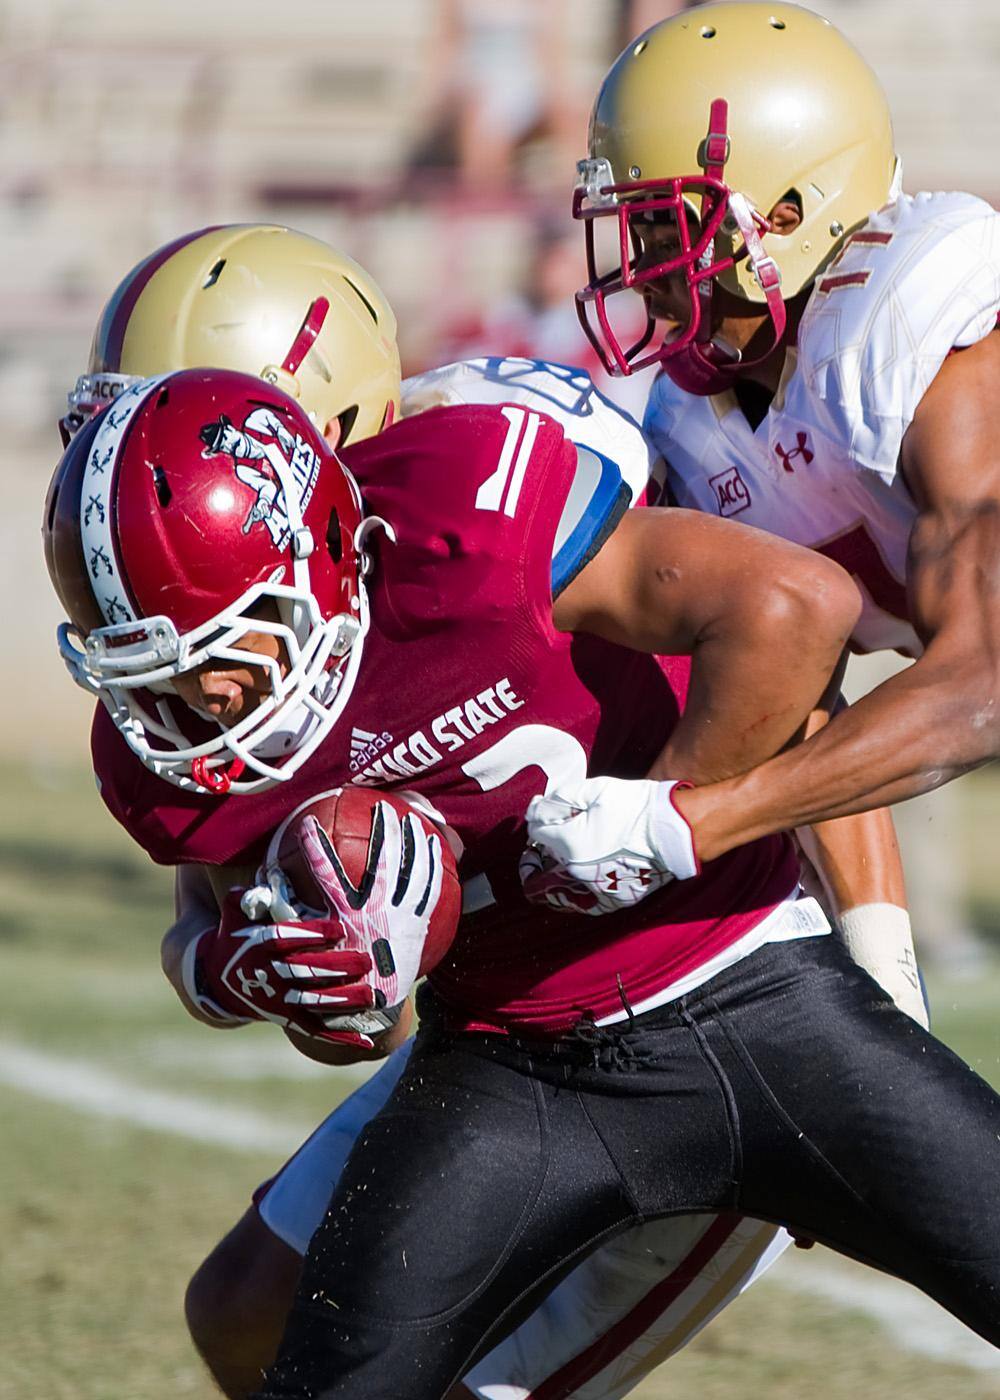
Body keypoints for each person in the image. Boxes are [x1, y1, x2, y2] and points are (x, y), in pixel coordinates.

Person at [56, 226, 910, 1400]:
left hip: (699, 993)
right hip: (505, 1025)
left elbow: (796, 674)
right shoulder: (264, 620)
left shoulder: (491, 485)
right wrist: (262, 963)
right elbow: (242, 910)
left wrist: (878, 978)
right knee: (244, 1312)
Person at [536, 0, 1000, 908]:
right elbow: (793, 699)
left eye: (670, 228)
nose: (641, 269)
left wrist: (692, 822)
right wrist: (879, 954)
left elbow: (983, 681)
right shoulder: (697, 412)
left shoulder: (924, 336)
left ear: (787, 212)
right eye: (636, 230)